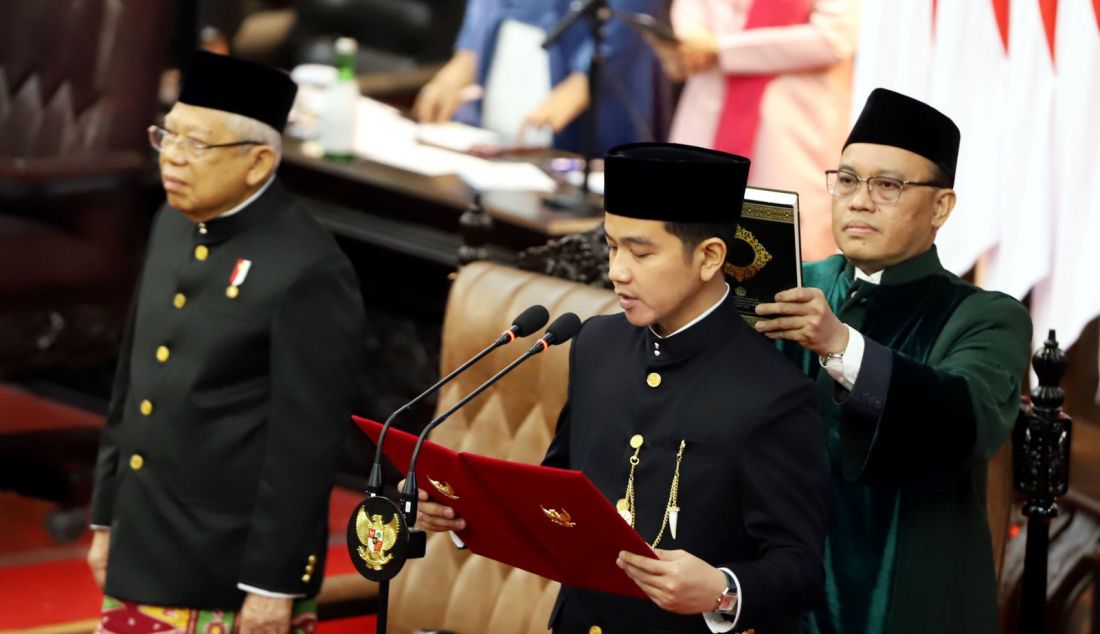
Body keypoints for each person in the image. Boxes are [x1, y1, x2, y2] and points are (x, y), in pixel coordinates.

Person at [416, 143, 829, 633]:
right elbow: (553, 496)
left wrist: (722, 587)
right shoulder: (595, 342)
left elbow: (799, 567)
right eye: (612, 246)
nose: (617, 270)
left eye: (640, 251)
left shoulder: (774, 394)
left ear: (710, 257)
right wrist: (460, 510)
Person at [86, 51, 367, 634]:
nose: (173, 158)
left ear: (258, 161)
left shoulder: (308, 269)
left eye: (196, 144)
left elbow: (304, 448)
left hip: (225, 572)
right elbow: (130, 387)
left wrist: (274, 585)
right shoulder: (172, 222)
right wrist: (107, 519)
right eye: (168, 136)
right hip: (143, 543)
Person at [754, 88, 1032, 633]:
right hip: (779, 584)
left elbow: (964, 421)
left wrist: (840, 345)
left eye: (888, 185)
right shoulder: (793, 284)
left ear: (941, 207)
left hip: (903, 593)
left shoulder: (984, 317)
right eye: (849, 180)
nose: (859, 201)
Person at [650, 0, 861, 261]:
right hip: (710, 104)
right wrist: (688, 41)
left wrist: (721, 47)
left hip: (789, 126)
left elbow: (834, 37)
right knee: (685, 235)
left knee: (781, 252)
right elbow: (693, 13)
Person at [413, 0, 663, 154]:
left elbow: (630, 12)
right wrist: (469, 52)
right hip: (505, 45)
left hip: (588, 60)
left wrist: (585, 77)